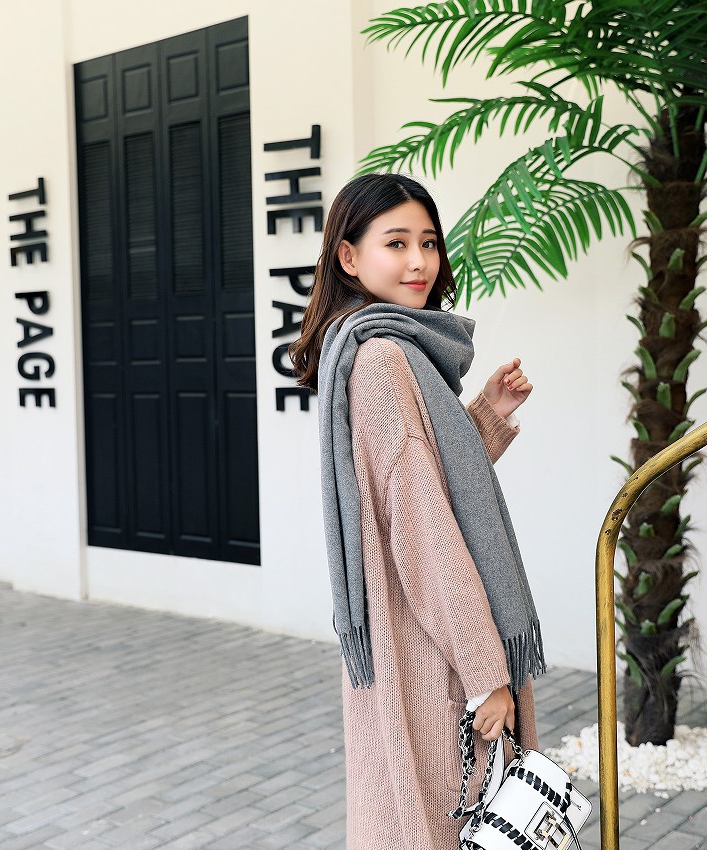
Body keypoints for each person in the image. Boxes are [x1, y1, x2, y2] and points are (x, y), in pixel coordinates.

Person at [290, 173, 546, 849]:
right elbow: (424, 530)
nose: (419, 262)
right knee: (445, 820)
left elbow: (425, 483)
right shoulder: (381, 359)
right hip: (433, 652)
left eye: (428, 243)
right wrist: (486, 675)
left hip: (416, 633)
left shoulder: (393, 349)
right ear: (349, 257)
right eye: (396, 242)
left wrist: (487, 414)